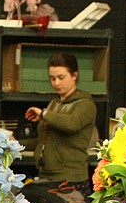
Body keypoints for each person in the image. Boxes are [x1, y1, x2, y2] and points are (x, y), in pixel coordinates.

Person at [23, 51, 99, 182]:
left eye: (61, 77)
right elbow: (45, 141)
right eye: (52, 78)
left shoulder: (86, 104)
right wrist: (14, 143)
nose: (56, 83)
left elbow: (71, 124)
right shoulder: (54, 103)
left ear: (74, 75)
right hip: (47, 175)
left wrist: (44, 114)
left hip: (71, 178)